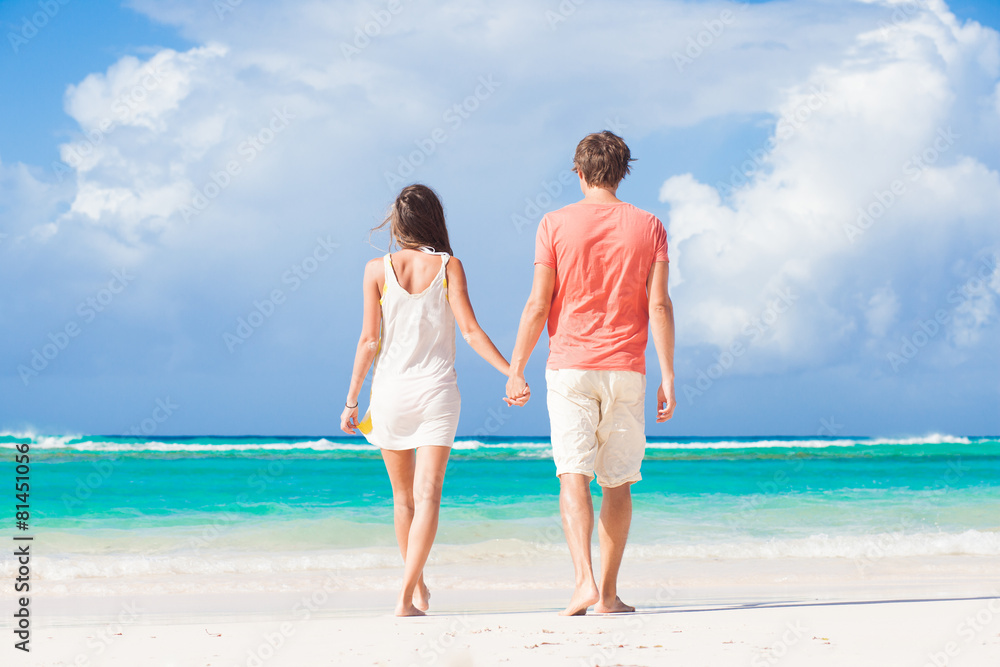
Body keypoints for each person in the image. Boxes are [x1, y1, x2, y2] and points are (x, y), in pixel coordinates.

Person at [506, 131, 676, 616]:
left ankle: (582, 580)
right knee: (618, 481)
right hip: (627, 369)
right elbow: (658, 304)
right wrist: (668, 375)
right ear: (622, 172)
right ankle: (607, 595)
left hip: (571, 367)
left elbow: (539, 303)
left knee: (573, 475)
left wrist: (516, 368)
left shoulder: (554, 223)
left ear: (578, 173)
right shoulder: (650, 225)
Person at [340, 184, 523, 617]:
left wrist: (351, 401)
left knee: (402, 500)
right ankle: (409, 593)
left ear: (398, 224)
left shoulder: (375, 270)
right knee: (428, 497)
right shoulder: (449, 266)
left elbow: (369, 341)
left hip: (388, 394)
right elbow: (472, 332)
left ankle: (416, 590)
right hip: (437, 393)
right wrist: (511, 372)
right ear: (434, 220)